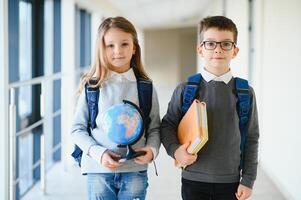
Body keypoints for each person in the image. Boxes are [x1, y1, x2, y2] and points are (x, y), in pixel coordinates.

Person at [161, 16, 259, 200]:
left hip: (230, 181)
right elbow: (167, 125)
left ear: (235, 51)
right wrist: (176, 150)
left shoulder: (245, 93)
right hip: (193, 178)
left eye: (226, 44)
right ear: (200, 49)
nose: (218, 49)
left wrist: (248, 179)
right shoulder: (185, 90)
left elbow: (252, 137)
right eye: (210, 43)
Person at [71, 16, 160, 200]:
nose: (118, 51)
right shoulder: (92, 87)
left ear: (134, 47)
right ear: (101, 49)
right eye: (110, 45)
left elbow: (154, 128)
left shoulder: (145, 87)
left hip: (135, 170)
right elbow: (77, 129)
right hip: (98, 170)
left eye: (124, 44)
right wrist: (99, 153)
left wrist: (152, 150)